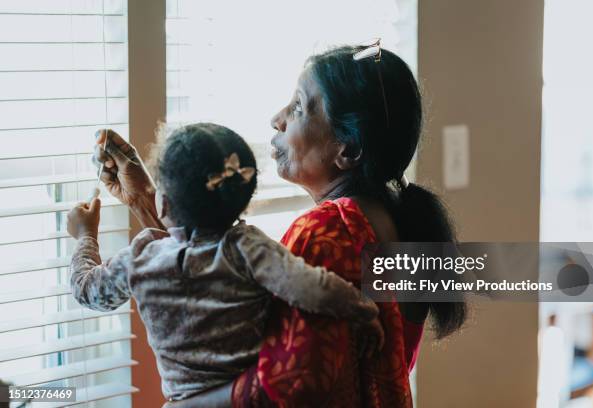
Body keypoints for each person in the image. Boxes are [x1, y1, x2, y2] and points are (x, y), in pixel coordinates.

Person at [94, 43, 467, 407]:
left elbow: (283, 384)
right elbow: (209, 280)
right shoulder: (393, 218)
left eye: (300, 107)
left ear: (348, 150)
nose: (278, 117)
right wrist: (149, 199)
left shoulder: (327, 233)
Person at [67, 123, 384, 402]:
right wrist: (364, 311)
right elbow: (315, 289)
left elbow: (87, 290)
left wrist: (85, 236)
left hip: (188, 398)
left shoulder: (140, 259)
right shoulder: (247, 249)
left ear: (162, 201)